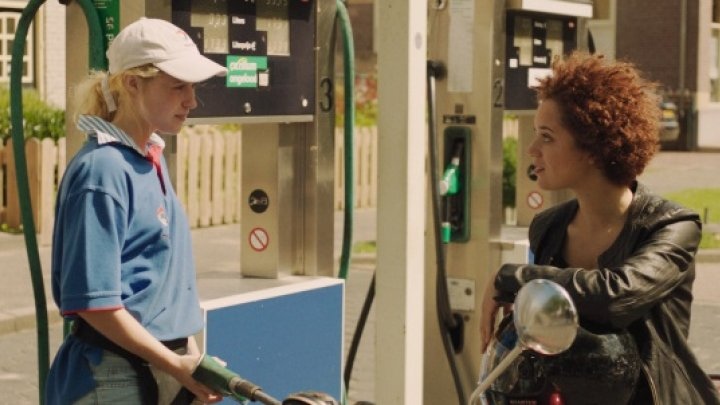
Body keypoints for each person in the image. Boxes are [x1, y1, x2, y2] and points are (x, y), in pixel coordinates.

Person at [480, 51, 720, 404]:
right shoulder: (548, 227)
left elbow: (616, 298)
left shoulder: (672, 227)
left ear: (592, 147)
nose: (532, 149)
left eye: (547, 137)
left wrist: (512, 277)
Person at [46, 18, 227, 404]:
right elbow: (94, 303)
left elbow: (163, 284)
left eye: (193, 87)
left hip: (157, 363)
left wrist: (189, 358)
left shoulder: (148, 158)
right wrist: (175, 364)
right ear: (132, 83)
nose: (191, 101)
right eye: (178, 86)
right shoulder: (103, 170)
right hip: (113, 375)